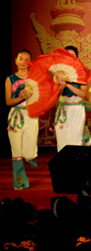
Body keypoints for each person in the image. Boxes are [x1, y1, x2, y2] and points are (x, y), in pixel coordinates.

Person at [6, 49, 37, 189]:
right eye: (20, 58)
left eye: (27, 59)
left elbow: (41, 98)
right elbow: (8, 101)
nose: (23, 62)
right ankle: (19, 182)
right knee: (16, 151)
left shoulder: (35, 79)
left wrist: (31, 94)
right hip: (15, 116)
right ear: (15, 61)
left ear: (31, 62)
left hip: (31, 115)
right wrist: (21, 97)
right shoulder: (10, 79)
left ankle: (30, 157)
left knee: (29, 152)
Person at [55, 46, 89, 151]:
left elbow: (83, 93)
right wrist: (61, 86)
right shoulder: (58, 73)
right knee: (62, 140)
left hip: (76, 109)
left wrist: (68, 85)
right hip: (62, 109)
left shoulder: (82, 73)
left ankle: (75, 162)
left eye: (72, 55)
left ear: (77, 58)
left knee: (75, 141)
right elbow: (55, 95)